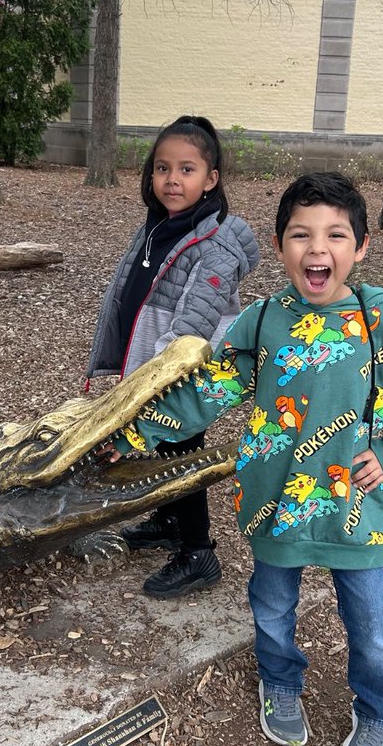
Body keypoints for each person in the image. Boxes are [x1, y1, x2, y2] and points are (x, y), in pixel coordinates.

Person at [108, 171, 383, 746]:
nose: (317, 250)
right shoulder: (263, 321)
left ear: (361, 246)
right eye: (301, 235)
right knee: (271, 607)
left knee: (372, 626)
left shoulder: (381, 319)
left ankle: (378, 714)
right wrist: (132, 436)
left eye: (335, 235)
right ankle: (280, 682)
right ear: (279, 246)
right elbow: (205, 393)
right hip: (274, 503)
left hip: (355, 509)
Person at [86, 115, 259, 599]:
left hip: (186, 369)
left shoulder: (216, 243)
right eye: (163, 168)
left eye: (186, 169)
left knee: (182, 449)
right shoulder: (160, 226)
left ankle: (199, 552)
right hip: (156, 362)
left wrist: (158, 378)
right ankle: (169, 522)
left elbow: (194, 325)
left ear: (211, 179)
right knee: (167, 448)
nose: (172, 179)